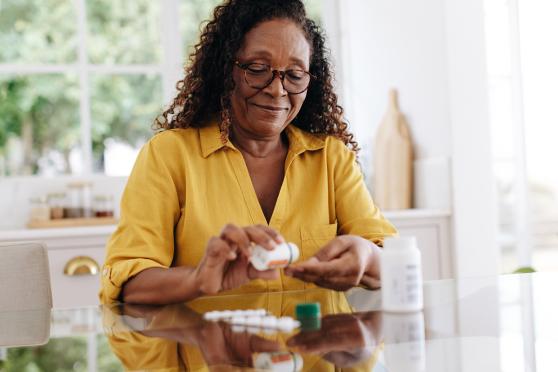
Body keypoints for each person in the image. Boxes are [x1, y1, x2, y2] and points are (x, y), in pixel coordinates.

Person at [99, 0, 396, 305]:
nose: (277, 90)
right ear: (225, 69)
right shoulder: (169, 155)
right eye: (257, 69)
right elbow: (129, 284)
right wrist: (199, 279)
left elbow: (393, 259)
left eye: (294, 75)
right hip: (209, 349)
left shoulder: (331, 158)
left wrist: (368, 257)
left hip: (311, 351)